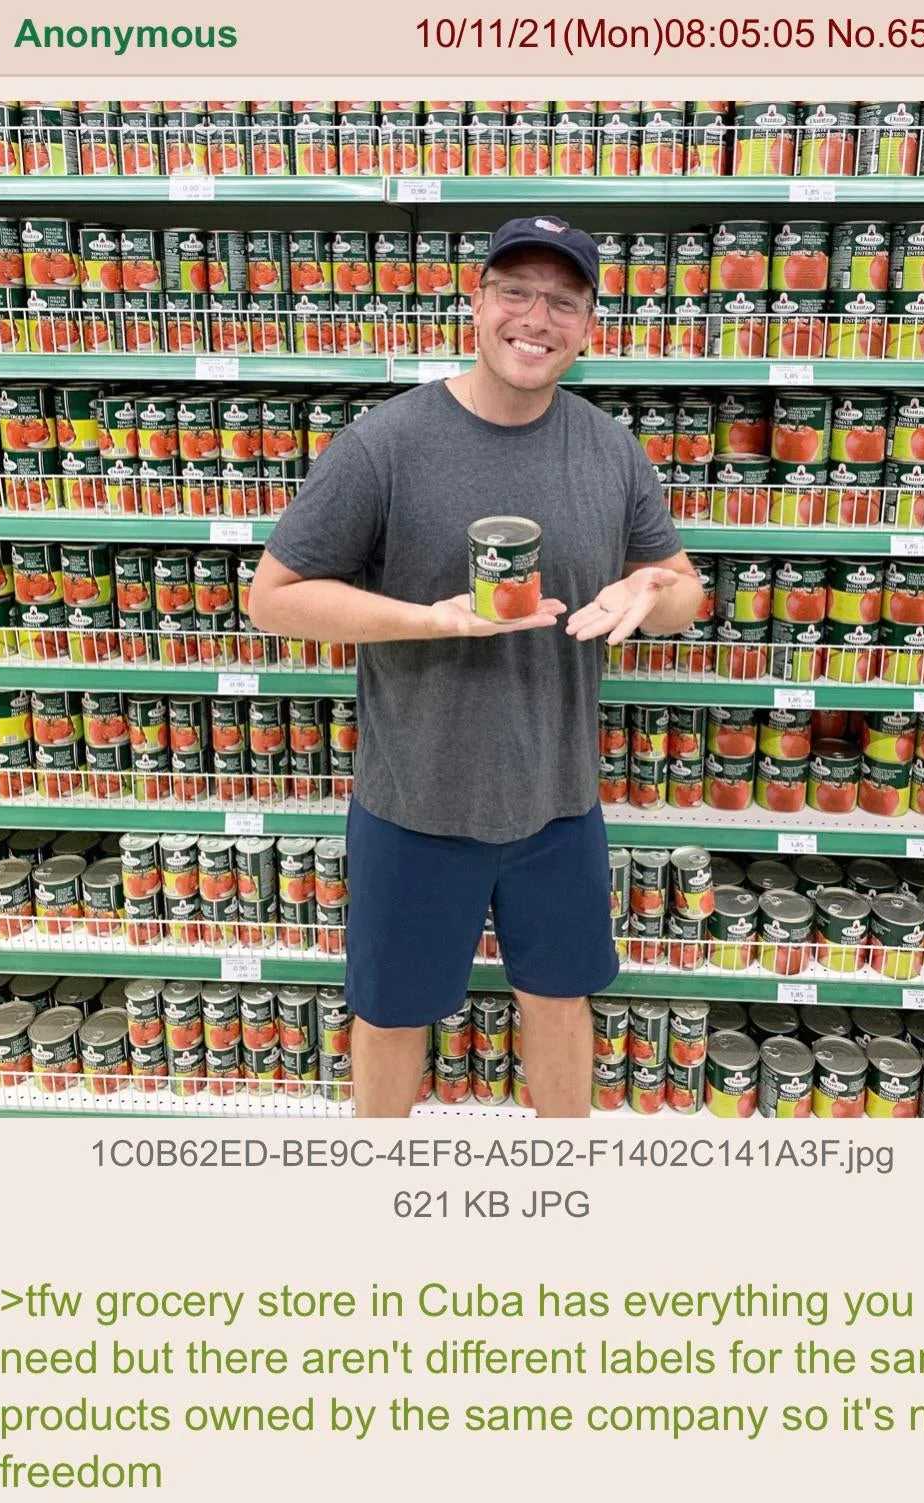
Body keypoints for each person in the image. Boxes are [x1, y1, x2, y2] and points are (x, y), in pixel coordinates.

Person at [250, 215, 703, 1118]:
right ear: (476, 303)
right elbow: (273, 597)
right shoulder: (385, 444)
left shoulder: (610, 449)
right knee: (389, 1017)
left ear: (589, 326)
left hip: (560, 803)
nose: (536, 318)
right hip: (415, 805)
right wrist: (428, 620)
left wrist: (652, 596)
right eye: (516, 293)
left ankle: (563, 1186)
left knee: (561, 999)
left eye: (563, 301)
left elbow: (686, 586)